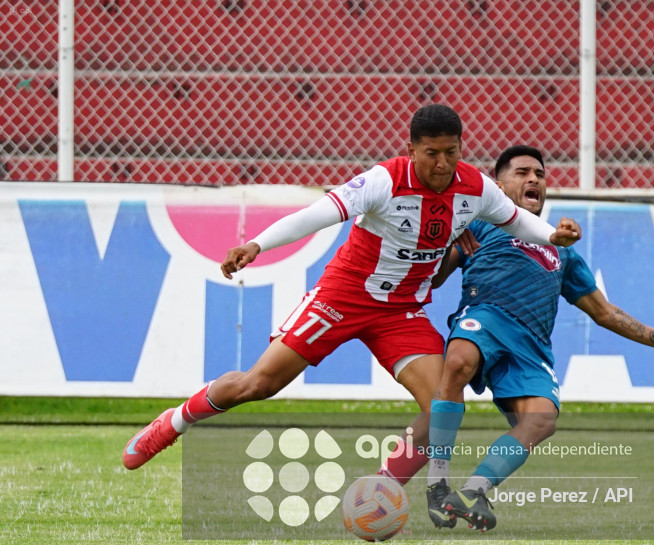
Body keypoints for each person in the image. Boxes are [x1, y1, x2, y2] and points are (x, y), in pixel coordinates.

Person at [122, 107, 582, 471]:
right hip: (343, 298)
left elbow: (517, 220)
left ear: (461, 148)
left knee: (444, 406)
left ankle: (384, 487)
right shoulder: (384, 181)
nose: (442, 164)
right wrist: (257, 243)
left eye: (451, 152)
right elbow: (316, 214)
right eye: (431, 153)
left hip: (401, 312)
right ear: (411, 149)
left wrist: (552, 236)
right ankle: (172, 423)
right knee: (258, 384)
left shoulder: (475, 187)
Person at [424, 145, 654, 531]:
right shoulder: (479, 223)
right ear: (498, 184)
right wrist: (451, 240)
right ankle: (437, 483)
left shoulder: (563, 252)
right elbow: (437, 277)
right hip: (484, 317)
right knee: (458, 360)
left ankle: (474, 491)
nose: (534, 180)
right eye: (523, 172)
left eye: (540, 175)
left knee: (542, 420)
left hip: (530, 346)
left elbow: (604, 312)